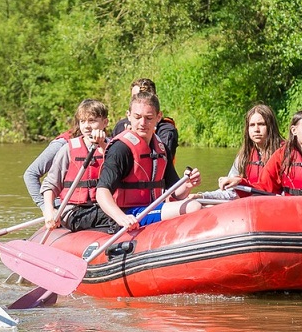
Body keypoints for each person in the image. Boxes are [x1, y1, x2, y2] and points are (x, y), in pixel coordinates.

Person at [92, 93, 203, 233]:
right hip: (129, 214)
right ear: (129, 116)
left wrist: (187, 185)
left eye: (149, 118)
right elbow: (102, 192)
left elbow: (175, 193)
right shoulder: (120, 149)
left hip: (151, 209)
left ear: (158, 117)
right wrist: (121, 218)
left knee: (201, 206)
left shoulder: (161, 148)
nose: (142, 123)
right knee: (193, 206)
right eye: (137, 117)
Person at [38, 100, 110, 230]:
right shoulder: (68, 149)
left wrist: (103, 145)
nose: (86, 126)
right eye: (82, 121)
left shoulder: (114, 147)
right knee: (113, 216)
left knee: (116, 213)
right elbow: (50, 184)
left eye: (92, 121)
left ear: (105, 122)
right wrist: (49, 210)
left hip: (107, 206)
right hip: (75, 211)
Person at [204, 103, 281, 198]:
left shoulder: (284, 153)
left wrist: (240, 181)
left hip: (274, 203)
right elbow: (230, 192)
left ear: (271, 126)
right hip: (249, 202)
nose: (256, 129)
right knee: (200, 203)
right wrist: (202, 196)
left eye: (261, 124)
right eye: (252, 125)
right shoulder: (244, 156)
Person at [254, 110, 302, 196]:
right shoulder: (281, 155)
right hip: (292, 203)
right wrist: (242, 183)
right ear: (294, 130)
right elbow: (264, 186)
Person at [111, 78, 179, 166]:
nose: (141, 101)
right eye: (136, 97)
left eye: (146, 96)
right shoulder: (121, 126)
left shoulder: (166, 130)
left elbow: (163, 161)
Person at [22, 121, 73, 206]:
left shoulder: (97, 144)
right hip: (63, 206)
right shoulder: (62, 144)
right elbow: (31, 174)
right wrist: (45, 207)